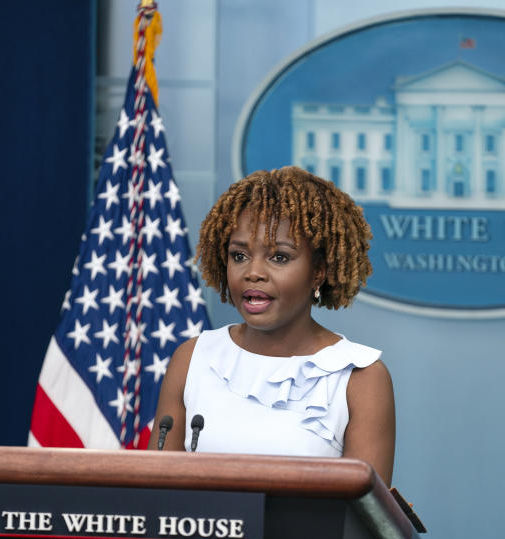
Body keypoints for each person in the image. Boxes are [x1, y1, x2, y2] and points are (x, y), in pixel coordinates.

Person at [148, 166, 395, 485]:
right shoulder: (192, 358)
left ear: (318, 271)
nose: (253, 272)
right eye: (239, 256)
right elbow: (157, 500)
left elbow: (365, 525)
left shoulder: (359, 378)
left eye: (279, 257)